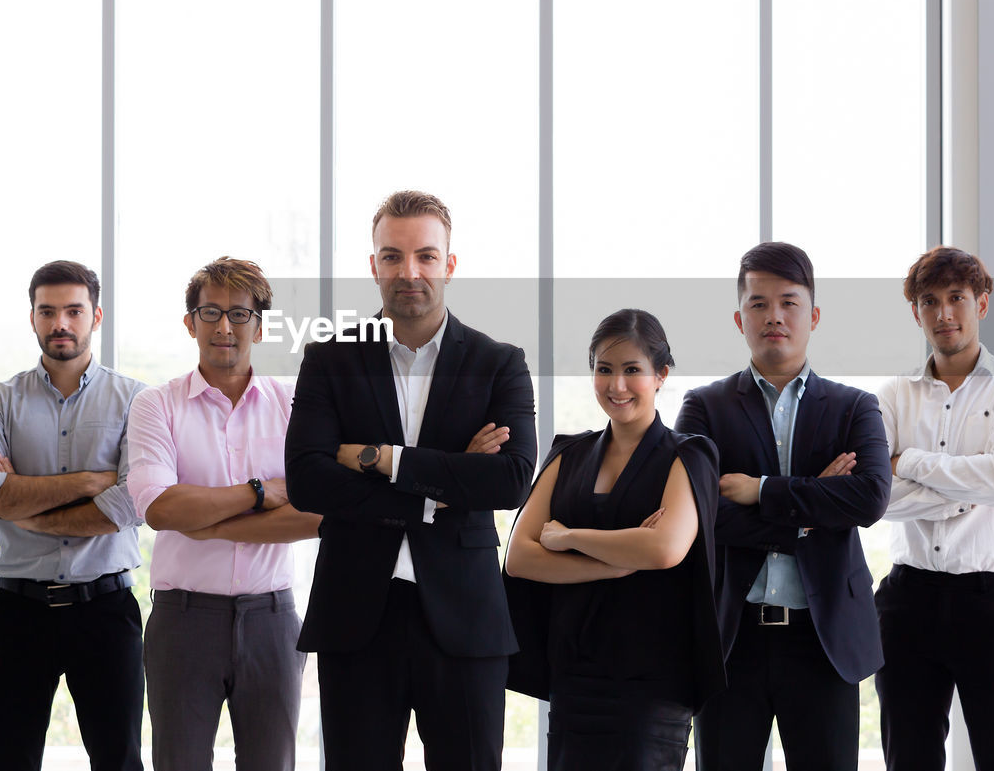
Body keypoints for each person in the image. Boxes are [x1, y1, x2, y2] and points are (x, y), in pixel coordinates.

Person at [285, 190, 537, 771]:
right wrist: (447, 480)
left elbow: (508, 481)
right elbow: (307, 480)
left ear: (449, 265)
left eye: (425, 256)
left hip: (465, 617)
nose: (409, 271)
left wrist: (383, 459)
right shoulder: (330, 359)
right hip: (357, 616)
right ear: (374, 265)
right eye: (393, 256)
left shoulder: (499, 362)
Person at [676, 241, 891, 771]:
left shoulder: (854, 407)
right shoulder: (704, 407)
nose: (774, 316)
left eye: (789, 302)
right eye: (759, 303)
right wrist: (810, 510)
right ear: (739, 317)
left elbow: (868, 498)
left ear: (812, 315)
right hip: (732, 637)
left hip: (824, 642)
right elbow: (701, 517)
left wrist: (761, 491)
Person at [504, 309, 725, 770]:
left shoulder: (688, 455)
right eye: (604, 370)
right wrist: (619, 561)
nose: (616, 386)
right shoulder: (568, 453)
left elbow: (664, 549)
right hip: (574, 676)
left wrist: (569, 537)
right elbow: (520, 557)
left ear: (661, 375)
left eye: (632, 371)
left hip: (653, 681)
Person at [126, 257, 321, 771]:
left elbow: (317, 515)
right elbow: (161, 508)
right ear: (190, 322)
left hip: (273, 621)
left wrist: (204, 520)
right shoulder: (156, 405)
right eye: (210, 312)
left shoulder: (294, 403)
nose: (224, 327)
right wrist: (260, 491)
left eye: (239, 313)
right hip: (182, 621)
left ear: (260, 325)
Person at [0, 260, 145, 771]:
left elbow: (132, 502)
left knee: (120, 760)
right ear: (33, 318)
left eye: (73, 310)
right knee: (9, 760)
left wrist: (24, 499)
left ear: (96, 316)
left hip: (105, 610)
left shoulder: (135, 400)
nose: (60, 323)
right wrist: (92, 481)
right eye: (48, 311)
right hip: (19, 613)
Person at [874, 246, 994, 771]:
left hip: (992, 601)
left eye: (957, 298)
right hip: (908, 600)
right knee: (909, 757)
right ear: (916, 312)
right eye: (930, 301)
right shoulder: (893, 394)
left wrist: (911, 462)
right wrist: (965, 490)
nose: (944, 314)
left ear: (982, 304)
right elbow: (875, 497)